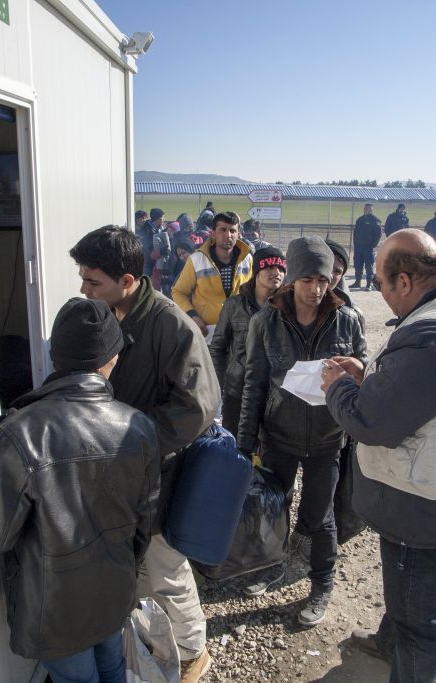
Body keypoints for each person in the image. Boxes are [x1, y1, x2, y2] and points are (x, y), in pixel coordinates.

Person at [321, 228, 436, 683]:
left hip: (432, 511)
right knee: (411, 601)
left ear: (404, 282)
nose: (383, 294)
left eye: (384, 286)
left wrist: (339, 387)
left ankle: (406, 653)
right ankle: (390, 642)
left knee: (421, 625)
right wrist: (369, 374)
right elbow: (426, 391)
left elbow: (372, 423)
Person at [0, 297, 160, 683]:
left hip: (54, 609)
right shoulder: (138, 427)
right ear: (110, 359)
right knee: (111, 666)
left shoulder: (18, 433)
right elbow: (144, 524)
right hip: (114, 589)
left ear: (56, 357)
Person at [69, 226, 219, 682]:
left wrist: (133, 439)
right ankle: (153, 645)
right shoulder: (106, 315)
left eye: (92, 281)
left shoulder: (169, 324)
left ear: (129, 281)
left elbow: (197, 407)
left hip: (159, 471)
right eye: (82, 277)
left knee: (164, 567)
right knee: (137, 569)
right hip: (123, 473)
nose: (83, 289)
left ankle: (192, 652)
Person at [237, 236, 368, 627]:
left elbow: (365, 371)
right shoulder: (266, 322)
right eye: (308, 279)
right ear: (292, 278)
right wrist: (244, 446)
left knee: (320, 514)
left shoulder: (348, 320)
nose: (316, 290)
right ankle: (272, 566)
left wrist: (358, 369)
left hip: (329, 439)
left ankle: (322, 583)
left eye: (324, 280)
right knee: (275, 508)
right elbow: (254, 384)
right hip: (280, 436)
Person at [209, 246, 286, 437]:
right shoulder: (234, 305)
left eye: (281, 269)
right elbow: (218, 347)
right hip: (237, 390)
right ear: (256, 272)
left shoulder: (289, 309)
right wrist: (219, 386)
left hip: (275, 393)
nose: (276, 273)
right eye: (269, 267)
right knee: (234, 447)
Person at [172, 212, 254, 337]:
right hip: (207, 333)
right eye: (223, 230)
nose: (228, 235)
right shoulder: (196, 260)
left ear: (239, 233)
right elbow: (178, 292)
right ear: (213, 233)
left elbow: (253, 292)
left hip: (239, 333)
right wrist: (192, 316)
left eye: (233, 230)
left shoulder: (247, 259)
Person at [350, 203, 383, 291]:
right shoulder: (360, 220)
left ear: (372, 210)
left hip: (368, 248)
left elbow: (378, 234)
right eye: (365, 208)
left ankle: (368, 284)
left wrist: (373, 245)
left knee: (369, 267)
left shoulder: (375, 220)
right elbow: (355, 233)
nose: (367, 210)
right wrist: (355, 243)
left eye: (369, 209)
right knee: (358, 265)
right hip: (358, 247)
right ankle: (357, 282)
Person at [139, 208, 165, 277]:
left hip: (157, 262)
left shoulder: (161, 229)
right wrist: (161, 251)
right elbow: (147, 249)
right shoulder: (146, 230)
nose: (164, 219)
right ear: (158, 218)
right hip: (147, 264)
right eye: (163, 217)